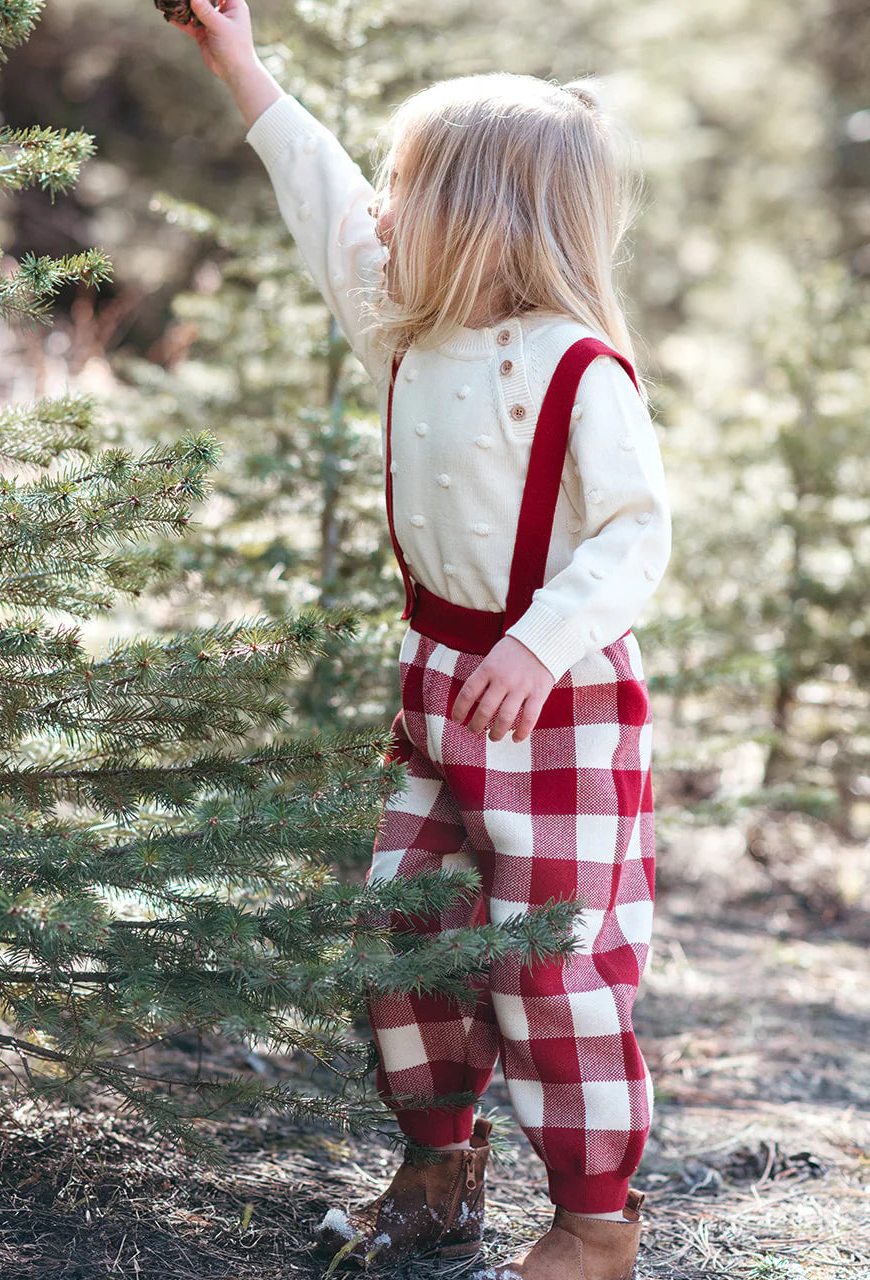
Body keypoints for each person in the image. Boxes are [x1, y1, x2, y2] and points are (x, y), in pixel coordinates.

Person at [172, 2, 670, 1276]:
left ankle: (594, 1222)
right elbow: (319, 198)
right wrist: (239, 62)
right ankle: (438, 1170)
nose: (379, 209)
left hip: (554, 705)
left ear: (478, 212)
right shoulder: (403, 327)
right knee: (409, 926)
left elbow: (634, 535)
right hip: (441, 683)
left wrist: (540, 641)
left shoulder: (578, 369)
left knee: (549, 967)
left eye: (402, 185)